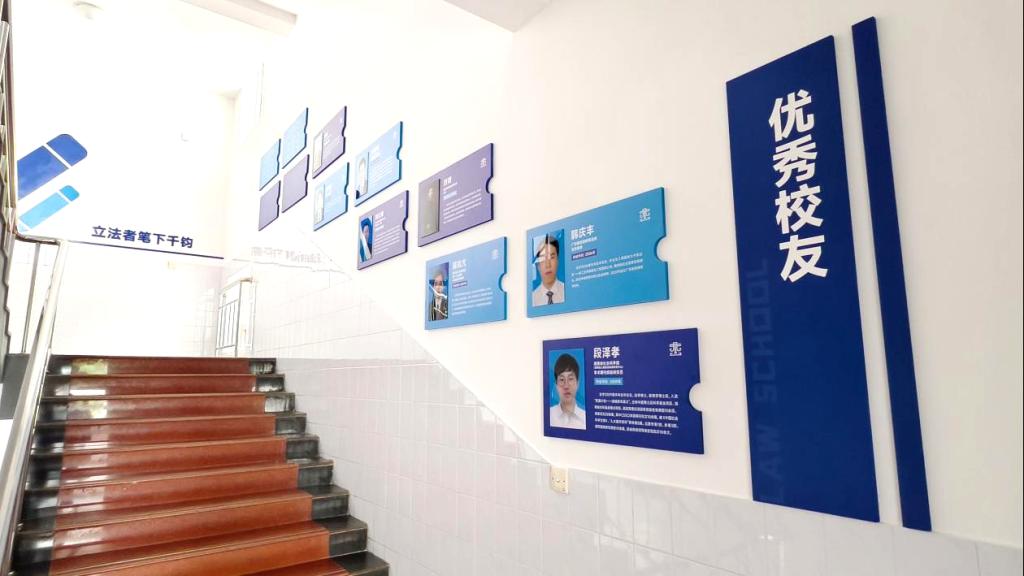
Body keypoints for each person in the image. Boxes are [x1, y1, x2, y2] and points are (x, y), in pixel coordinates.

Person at [549, 353, 586, 429]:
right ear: (556, 385)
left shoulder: (585, 418)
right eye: (562, 379)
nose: (566, 386)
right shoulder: (549, 415)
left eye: (570, 379)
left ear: (577, 383)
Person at [532, 234, 565, 306]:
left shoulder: (567, 291)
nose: (548, 265)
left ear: (558, 260)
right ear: (538, 265)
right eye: (542, 259)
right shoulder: (533, 299)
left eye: (552, 257)